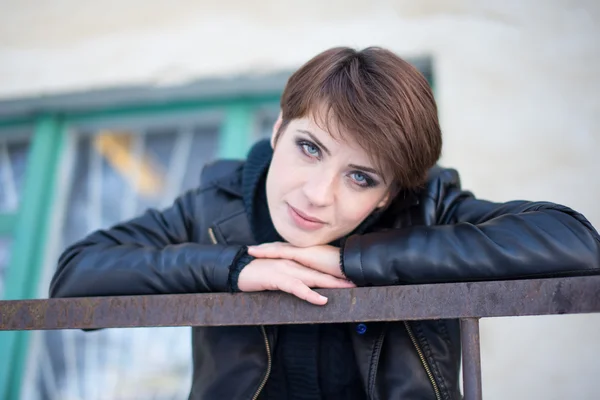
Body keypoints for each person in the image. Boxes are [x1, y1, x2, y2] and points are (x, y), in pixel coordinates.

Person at [50, 46, 600, 400]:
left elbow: (576, 243)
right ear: (279, 129)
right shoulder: (212, 208)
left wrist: (353, 261)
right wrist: (235, 268)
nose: (317, 195)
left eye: (361, 177)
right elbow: (76, 277)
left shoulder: (427, 208)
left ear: (390, 195)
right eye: (309, 147)